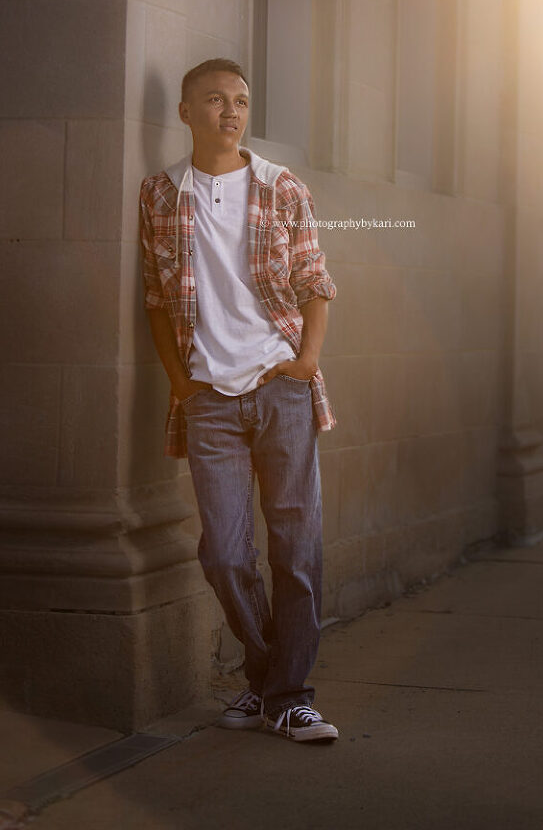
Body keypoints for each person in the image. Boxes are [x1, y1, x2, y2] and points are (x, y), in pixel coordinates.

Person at [139, 58, 339, 743]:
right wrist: (180, 381)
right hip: (209, 402)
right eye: (216, 100)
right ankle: (267, 678)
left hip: (279, 387)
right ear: (187, 112)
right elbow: (158, 302)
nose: (231, 111)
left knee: (295, 548)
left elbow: (315, 280)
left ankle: (289, 696)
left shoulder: (282, 187)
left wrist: (305, 362)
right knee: (224, 554)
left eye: (242, 101)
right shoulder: (160, 195)